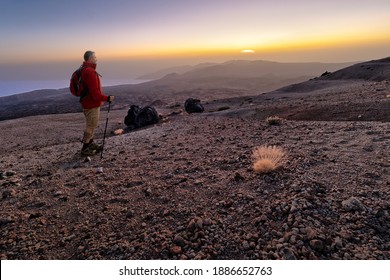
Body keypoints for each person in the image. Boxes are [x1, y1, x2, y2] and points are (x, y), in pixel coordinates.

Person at [79, 50, 115, 156]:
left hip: (87, 103)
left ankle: (90, 144)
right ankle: (85, 149)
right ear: (90, 59)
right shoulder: (90, 72)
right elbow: (95, 94)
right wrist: (107, 98)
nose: (96, 59)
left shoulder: (83, 69)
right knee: (91, 126)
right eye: (95, 57)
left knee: (92, 125)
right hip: (92, 104)